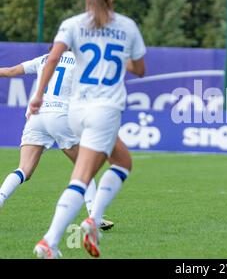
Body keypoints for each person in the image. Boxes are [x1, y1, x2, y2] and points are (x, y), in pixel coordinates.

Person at [29, 0, 146, 259]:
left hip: (75, 112)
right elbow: (140, 69)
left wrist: (38, 95)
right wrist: (120, 58)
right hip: (103, 111)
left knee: (122, 161)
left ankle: (91, 220)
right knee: (82, 178)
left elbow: (53, 58)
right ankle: (51, 241)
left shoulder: (72, 24)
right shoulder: (128, 27)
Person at [0, 51, 133, 231]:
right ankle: (95, 216)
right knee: (85, 166)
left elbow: (10, 71)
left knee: (24, 170)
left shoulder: (45, 58)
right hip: (60, 116)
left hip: (36, 116)